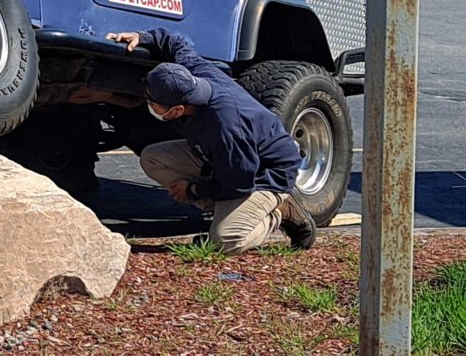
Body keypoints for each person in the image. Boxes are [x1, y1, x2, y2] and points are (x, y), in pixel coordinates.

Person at [106, 27, 316, 253]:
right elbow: (176, 43)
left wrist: (194, 190)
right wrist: (142, 37)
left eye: (154, 103)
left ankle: (279, 210)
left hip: (265, 174)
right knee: (153, 158)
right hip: (228, 162)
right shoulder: (194, 73)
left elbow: (239, 182)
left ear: (177, 109)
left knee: (226, 239)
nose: (149, 104)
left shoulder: (227, 128)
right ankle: (230, 210)